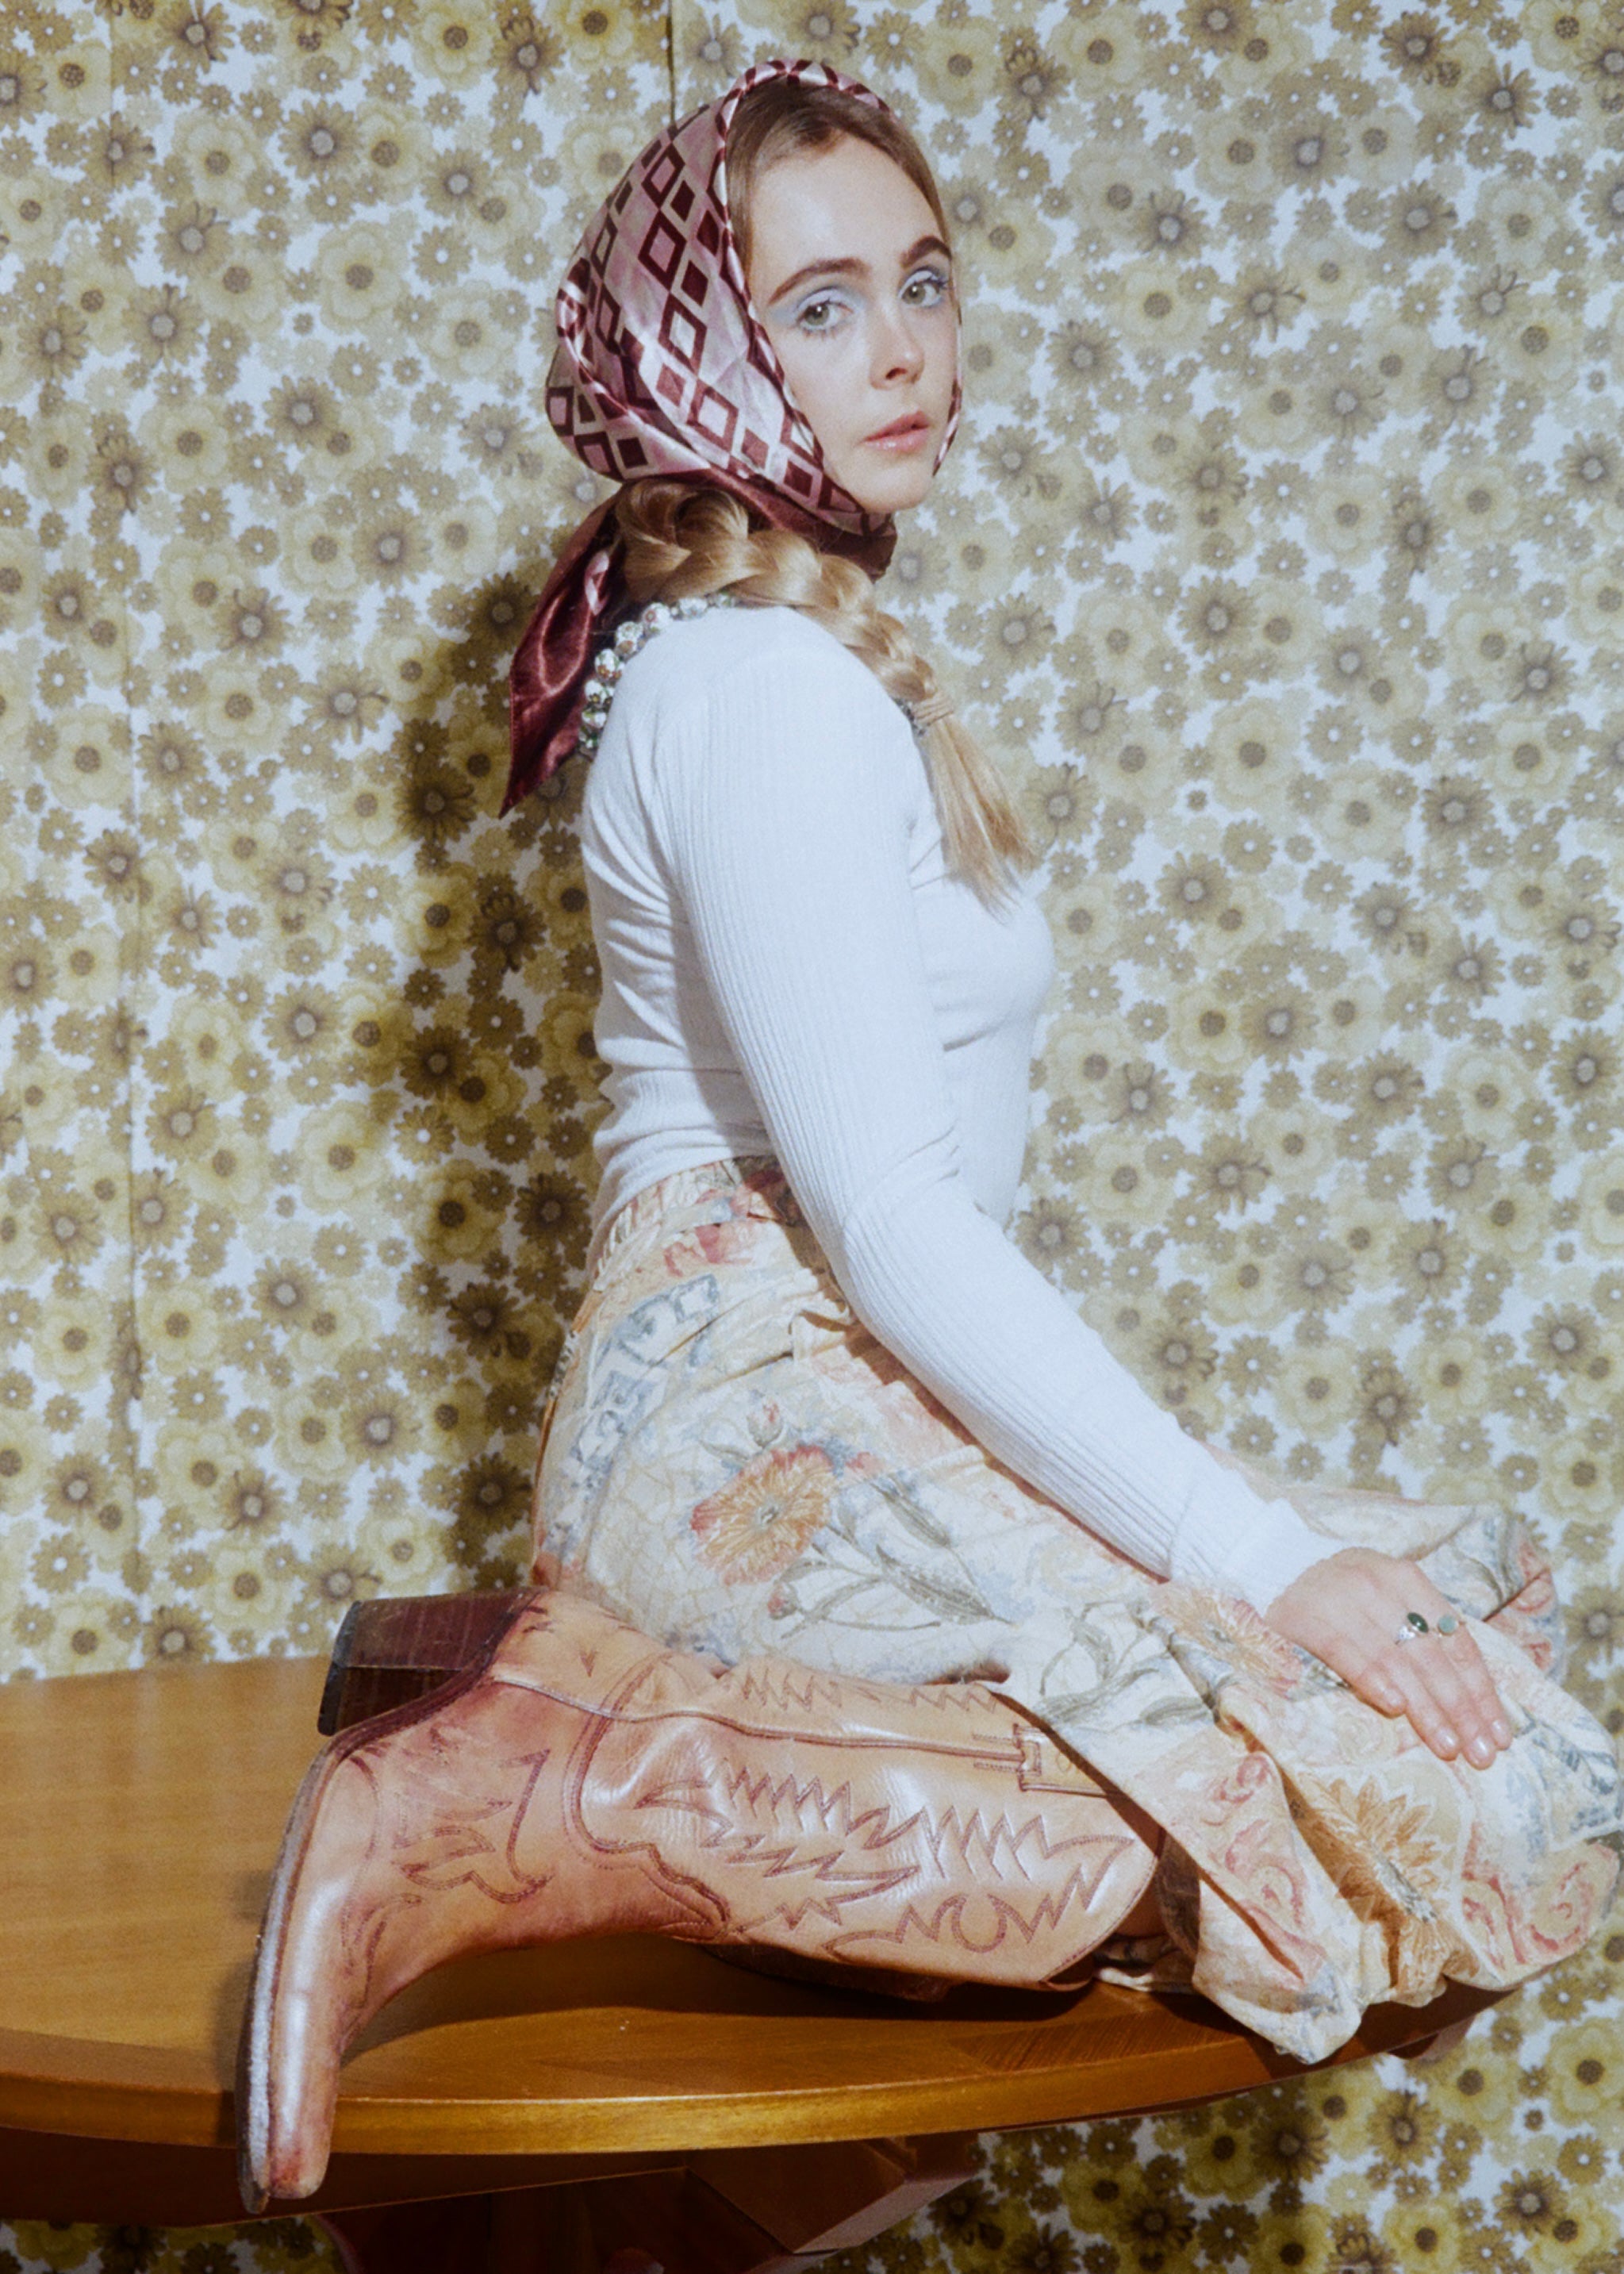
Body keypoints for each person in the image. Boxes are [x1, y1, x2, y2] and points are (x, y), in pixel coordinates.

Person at [235, 58, 1622, 2213]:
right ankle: (501, 1802)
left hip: (838, 1392)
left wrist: (1270, 1562)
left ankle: (689, 1972)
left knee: (1460, 1631)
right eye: (820, 304)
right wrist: (1253, 1556)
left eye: (926, 282)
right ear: (703, 346)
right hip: (756, 1405)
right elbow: (882, 1217)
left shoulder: (795, 655)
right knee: (1282, 1763)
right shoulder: (757, 687)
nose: (901, 346)